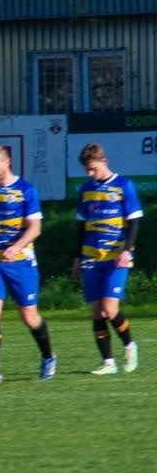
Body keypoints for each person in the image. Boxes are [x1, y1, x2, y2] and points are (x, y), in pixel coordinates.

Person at [0, 145, 56, 384]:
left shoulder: (26, 190)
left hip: (21, 264)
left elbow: (35, 228)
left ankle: (48, 357)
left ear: (7, 161)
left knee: (29, 315)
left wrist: (16, 247)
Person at [73, 142, 141, 375]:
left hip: (116, 257)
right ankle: (108, 362)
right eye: (87, 170)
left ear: (104, 161)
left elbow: (134, 222)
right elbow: (81, 227)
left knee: (110, 308)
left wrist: (127, 250)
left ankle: (129, 345)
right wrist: (77, 257)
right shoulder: (85, 189)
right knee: (97, 311)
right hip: (91, 257)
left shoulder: (124, 186)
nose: (90, 174)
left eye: (93, 168)